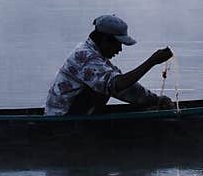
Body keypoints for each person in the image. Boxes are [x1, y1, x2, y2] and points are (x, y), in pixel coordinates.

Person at [44, 13, 174, 117]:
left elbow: (125, 88)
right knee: (109, 86)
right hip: (62, 120)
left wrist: (155, 100)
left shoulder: (94, 55)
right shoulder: (85, 57)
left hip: (73, 115)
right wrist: (151, 62)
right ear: (105, 40)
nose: (119, 49)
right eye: (118, 44)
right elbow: (116, 85)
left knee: (113, 86)